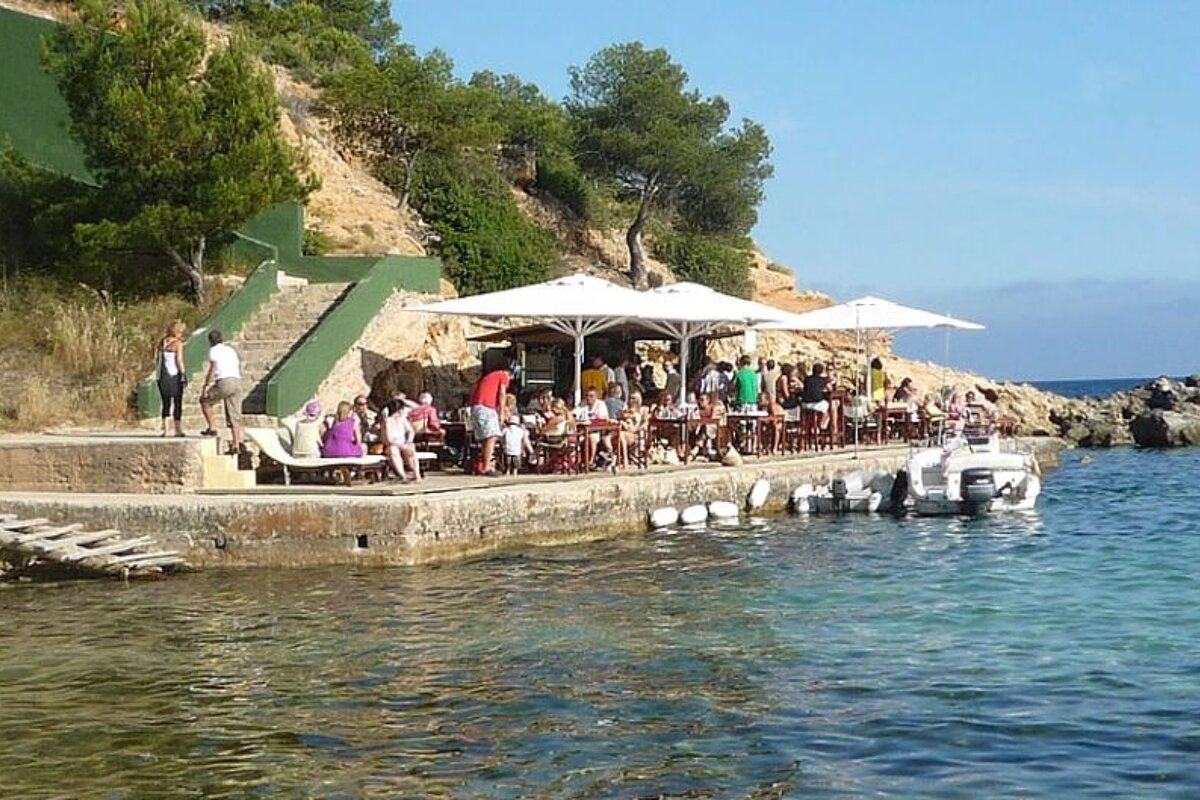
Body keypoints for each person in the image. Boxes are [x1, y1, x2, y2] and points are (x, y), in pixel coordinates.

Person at [199, 329, 244, 453]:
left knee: (205, 401)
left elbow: (214, 368)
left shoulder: (214, 350)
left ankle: (212, 427)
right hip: (237, 381)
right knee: (234, 415)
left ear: (210, 341)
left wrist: (206, 384)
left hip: (225, 381)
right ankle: (236, 444)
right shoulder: (230, 350)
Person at [469, 362, 511, 476]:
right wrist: (501, 413)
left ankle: (484, 464)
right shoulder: (503, 375)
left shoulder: (489, 377)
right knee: (492, 436)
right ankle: (487, 467)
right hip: (486, 407)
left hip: (476, 407)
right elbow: (502, 394)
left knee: (485, 438)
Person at [156, 319, 187, 437]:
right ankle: (178, 429)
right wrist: (183, 373)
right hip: (174, 375)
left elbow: (157, 359)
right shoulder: (178, 344)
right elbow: (179, 360)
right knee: (177, 402)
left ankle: (166, 429)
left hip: (162, 376)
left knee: (166, 403)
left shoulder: (162, 343)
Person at [383, 401, 422, 482]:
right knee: (393, 450)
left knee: (410, 448)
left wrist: (409, 441)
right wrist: (401, 445)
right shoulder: (387, 422)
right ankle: (403, 475)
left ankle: (417, 475)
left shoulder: (402, 419)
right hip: (392, 444)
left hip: (403, 443)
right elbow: (389, 439)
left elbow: (411, 431)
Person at [801, 362, 830, 429]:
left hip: (805, 404)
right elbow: (829, 389)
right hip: (816, 404)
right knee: (827, 406)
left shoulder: (807, 379)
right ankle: (822, 425)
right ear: (821, 371)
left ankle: (813, 426)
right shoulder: (822, 380)